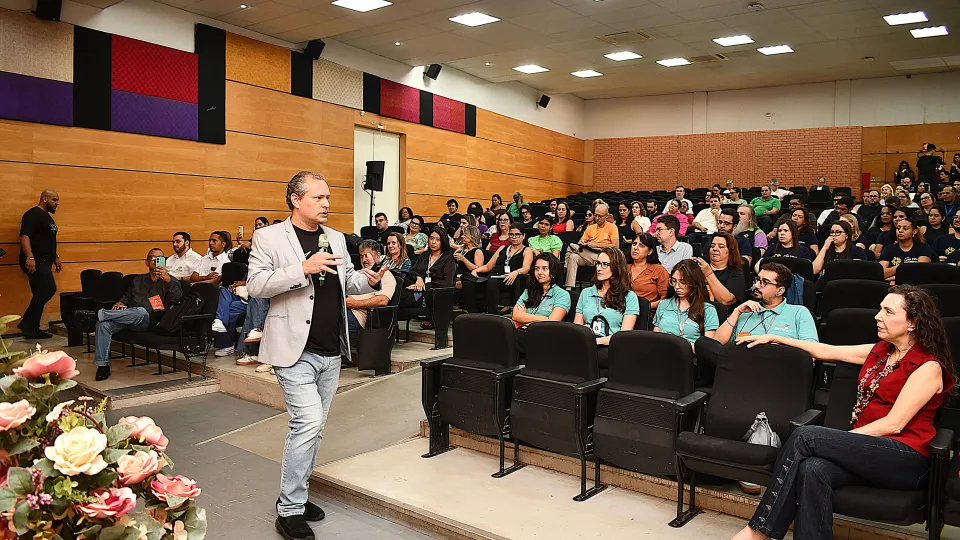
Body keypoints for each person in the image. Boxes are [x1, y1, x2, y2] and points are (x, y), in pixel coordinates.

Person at [731, 285, 955, 540]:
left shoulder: (928, 367)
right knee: (813, 469)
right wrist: (776, 338)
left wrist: (842, 441)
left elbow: (894, 424)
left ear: (912, 322)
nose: (877, 316)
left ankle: (758, 531)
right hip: (870, 450)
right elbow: (825, 350)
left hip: (907, 458)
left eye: (888, 311)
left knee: (807, 437)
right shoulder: (881, 352)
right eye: (880, 309)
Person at [245, 171, 389, 539]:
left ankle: (300, 491)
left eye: (328, 198)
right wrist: (301, 268)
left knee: (316, 427)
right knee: (306, 422)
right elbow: (256, 285)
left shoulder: (336, 237)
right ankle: (289, 508)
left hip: (331, 349)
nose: (327, 204)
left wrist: (367, 280)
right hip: (294, 349)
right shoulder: (268, 236)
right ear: (295, 199)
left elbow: (346, 281)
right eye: (318, 198)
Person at [694, 262, 818, 387]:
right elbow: (718, 343)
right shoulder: (745, 312)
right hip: (742, 369)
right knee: (703, 343)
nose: (757, 285)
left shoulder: (798, 312)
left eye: (764, 282)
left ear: (780, 290)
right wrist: (736, 312)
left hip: (778, 372)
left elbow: (812, 352)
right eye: (757, 280)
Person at [92, 248, 182, 381]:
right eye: (153, 258)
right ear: (146, 262)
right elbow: (127, 296)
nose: (156, 261)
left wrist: (168, 281)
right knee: (103, 324)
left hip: (149, 320)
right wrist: (119, 303)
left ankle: (98, 314)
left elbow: (179, 300)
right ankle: (103, 365)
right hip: (128, 316)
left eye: (159, 258)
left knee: (141, 311)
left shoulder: (170, 281)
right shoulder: (138, 280)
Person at [573, 247, 640, 369]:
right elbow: (577, 327)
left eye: (605, 265)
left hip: (611, 346)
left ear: (616, 268)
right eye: (598, 263)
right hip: (586, 343)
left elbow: (623, 336)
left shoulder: (629, 296)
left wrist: (596, 341)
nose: (598, 268)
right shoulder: (586, 292)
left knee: (585, 357)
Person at [17, 189, 61, 339]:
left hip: (45, 261)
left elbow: (48, 240)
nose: (57, 203)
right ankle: (28, 324)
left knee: (39, 293)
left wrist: (55, 257)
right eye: (54, 200)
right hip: (36, 261)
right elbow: (24, 236)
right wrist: (29, 257)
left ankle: (32, 328)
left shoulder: (47, 218)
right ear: (44, 199)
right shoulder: (32, 215)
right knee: (48, 289)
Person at [653, 259, 718, 349]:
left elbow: (706, 348)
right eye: (674, 281)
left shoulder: (708, 309)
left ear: (694, 283)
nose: (677, 286)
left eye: (682, 282)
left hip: (690, 357)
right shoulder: (664, 304)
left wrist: (679, 347)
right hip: (662, 354)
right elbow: (655, 338)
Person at [469, 223, 532, 314]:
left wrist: (515, 272)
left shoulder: (526, 250)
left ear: (523, 236)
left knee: (493, 281)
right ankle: (479, 312)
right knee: (472, 279)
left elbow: (526, 268)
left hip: (513, 278)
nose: (514, 237)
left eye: (517, 235)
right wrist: (476, 270)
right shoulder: (502, 248)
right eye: (511, 234)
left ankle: (496, 312)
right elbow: (488, 266)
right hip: (497, 275)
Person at [345, 240, 397, 350]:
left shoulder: (385, 274)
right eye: (361, 256)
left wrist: (355, 304)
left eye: (367, 256)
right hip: (344, 310)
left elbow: (383, 300)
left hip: (360, 317)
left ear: (377, 256)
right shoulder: (356, 274)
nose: (364, 260)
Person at [403, 227, 456, 329]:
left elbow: (447, 282)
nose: (433, 242)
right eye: (431, 238)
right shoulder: (424, 255)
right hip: (418, 289)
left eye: (437, 239)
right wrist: (419, 278)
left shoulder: (448, 258)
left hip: (433, 294)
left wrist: (424, 286)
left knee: (402, 297)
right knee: (400, 284)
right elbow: (413, 271)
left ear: (443, 241)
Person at [564, 203, 619, 288]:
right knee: (573, 257)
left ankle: (564, 268)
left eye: (600, 216)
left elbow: (616, 246)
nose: (597, 218)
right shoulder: (590, 228)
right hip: (587, 254)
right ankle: (569, 287)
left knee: (572, 249)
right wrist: (584, 244)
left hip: (602, 256)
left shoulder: (612, 227)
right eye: (596, 215)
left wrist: (595, 244)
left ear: (606, 216)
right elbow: (581, 242)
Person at [512, 253, 570, 329]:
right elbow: (515, 315)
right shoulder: (528, 291)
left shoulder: (562, 294)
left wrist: (524, 319)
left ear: (553, 271)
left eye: (545, 268)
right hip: (522, 333)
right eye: (537, 268)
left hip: (544, 335)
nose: (539, 272)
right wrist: (544, 318)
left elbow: (552, 323)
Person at [695, 232, 746, 307]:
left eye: (721, 246)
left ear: (730, 251)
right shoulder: (699, 265)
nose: (715, 249)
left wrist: (708, 274)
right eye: (712, 246)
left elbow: (726, 300)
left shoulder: (736, 273)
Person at [879, 216, 933, 281]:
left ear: (914, 231)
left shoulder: (923, 248)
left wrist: (896, 277)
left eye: (905, 229)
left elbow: (920, 272)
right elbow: (881, 273)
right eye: (898, 228)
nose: (900, 231)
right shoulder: (888, 249)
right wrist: (904, 267)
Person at [628, 233, 669, 309]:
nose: (635, 248)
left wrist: (646, 307)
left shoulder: (659, 270)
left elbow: (666, 299)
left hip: (647, 314)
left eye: (641, 245)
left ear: (650, 251)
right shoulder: (623, 268)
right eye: (634, 244)